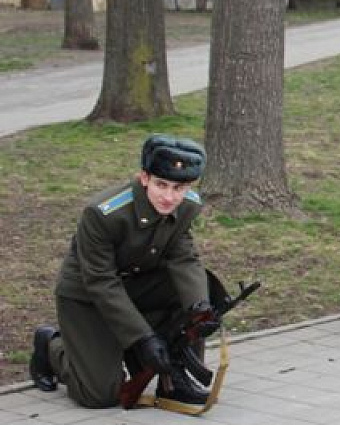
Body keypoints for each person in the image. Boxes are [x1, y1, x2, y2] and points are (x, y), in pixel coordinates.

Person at [29, 135, 214, 410]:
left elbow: (184, 258)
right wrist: (143, 338)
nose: (169, 196)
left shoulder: (188, 205)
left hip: (137, 287)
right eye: (161, 184)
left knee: (191, 294)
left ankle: (176, 379)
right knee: (99, 395)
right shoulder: (103, 214)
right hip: (87, 297)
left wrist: (200, 310)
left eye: (179, 187)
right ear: (144, 177)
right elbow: (101, 282)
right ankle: (51, 346)